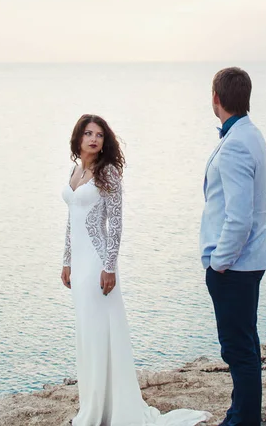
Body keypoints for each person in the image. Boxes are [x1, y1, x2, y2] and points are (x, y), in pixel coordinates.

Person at [61, 114, 211, 426]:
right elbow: (71, 219)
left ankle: (113, 409)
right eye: (88, 133)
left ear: (105, 142)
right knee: (87, 335)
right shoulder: (75, 171)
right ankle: (93, 405)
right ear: (78, 138)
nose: (93, 139)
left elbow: (115, 224)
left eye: (99, 135)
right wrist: (66, 260)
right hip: (79, 266)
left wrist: (109, 266)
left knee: (102, 332)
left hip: (98, 264)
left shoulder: (108, 173)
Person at [200, 68, 266, 426]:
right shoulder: (251, 134)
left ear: (217, 98)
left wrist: (219, 263)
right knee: (246, 344)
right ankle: (242, 415)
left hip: (235, 266)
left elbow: (239, 218)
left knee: (237, 349)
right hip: (247, 263)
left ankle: (243, 422)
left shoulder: (235, 145)